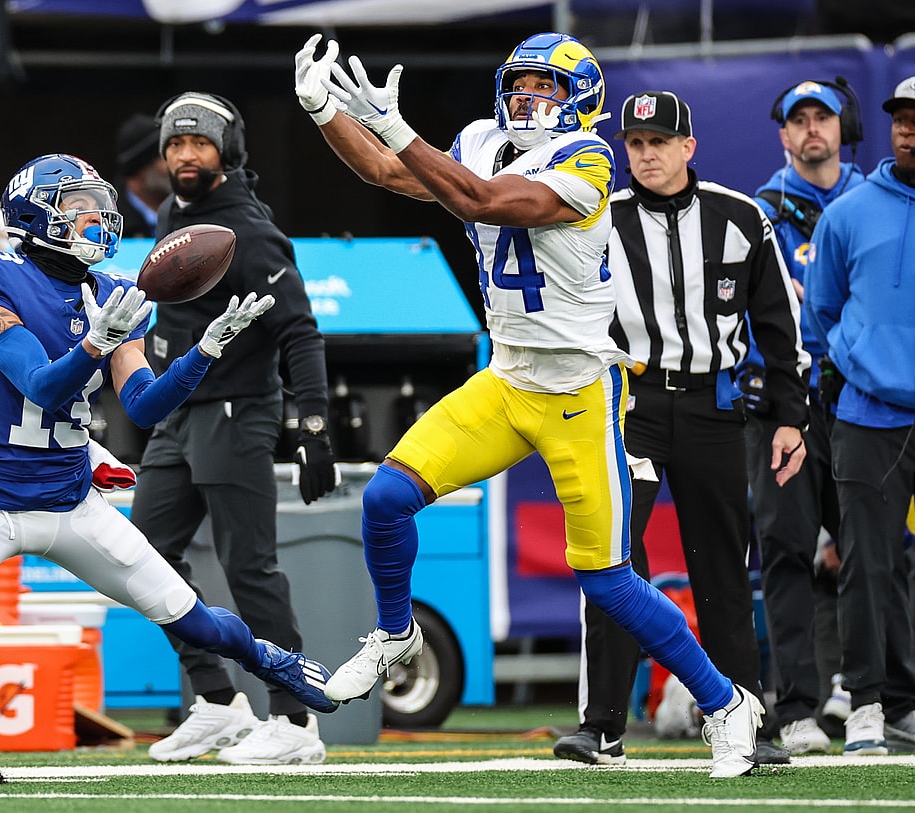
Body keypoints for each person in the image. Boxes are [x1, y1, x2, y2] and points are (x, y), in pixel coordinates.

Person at [295, 31, 767, 778]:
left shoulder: (588, 159)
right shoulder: (482, 138)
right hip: (508, 378)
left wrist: (397, 126)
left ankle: (725, 703)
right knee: (385, 497)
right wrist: (324, 110)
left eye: (546, 87)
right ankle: (395, 634)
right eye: (521, 85)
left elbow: (478, 200)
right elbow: (392, 173)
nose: (528, 99)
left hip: (579, 390)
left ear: (580, 99)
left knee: (608, 577)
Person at [0, 153, 337, 786]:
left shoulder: (106, 292)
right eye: (77, 206)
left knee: (197, 622)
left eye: (98, 205)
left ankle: (272, 662)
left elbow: (145, 404)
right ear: (32, 212)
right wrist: (94, 344)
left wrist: (203, 351)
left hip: (72, 504)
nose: (96, 217)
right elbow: (41, 387)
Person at [552, 90, 808, 768]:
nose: (646, 154)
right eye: (635, 143)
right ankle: (602, 724)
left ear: (688, 147)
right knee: (612, 558)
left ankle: (745, 719)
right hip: (628, 410)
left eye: (659, 141)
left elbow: (780, 327)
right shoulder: (598, 216)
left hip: (713, 408)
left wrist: (790, 416)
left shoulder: (741, 217)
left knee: (723, 566)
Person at [130, 92, 339, 766]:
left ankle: (295, 717)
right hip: (179, 411)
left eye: (200, 142)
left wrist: (313, 427)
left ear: (229, 150)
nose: (186, 154)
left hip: (239, 410)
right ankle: (219, 699)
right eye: (175, 142)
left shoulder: (247, 229)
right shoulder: (171, 212)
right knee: (142, 556)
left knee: (250, 568)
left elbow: (299, 331)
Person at [742, 79, 866, 754]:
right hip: (787, 402)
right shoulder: (759, 213)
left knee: (877, 552)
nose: (813, 129)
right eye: (800, 120)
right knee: (787, 551)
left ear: (841, 128)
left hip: (867, 402)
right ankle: (796, 707)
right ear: (783, 134)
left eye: (823, 117)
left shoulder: (878, 202)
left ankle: (876, 696)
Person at [805, 75, 915, 756]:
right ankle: (872, 703)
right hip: (870, 414)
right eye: (901, 119)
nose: (909, 129)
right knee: (868, 566)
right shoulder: (847, 212)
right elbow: (820, 316)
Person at [114, 112, 171, 238]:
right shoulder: (108, 224)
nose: (175, 165)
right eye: (164, 157)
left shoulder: (188, 213)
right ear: (140, 168)